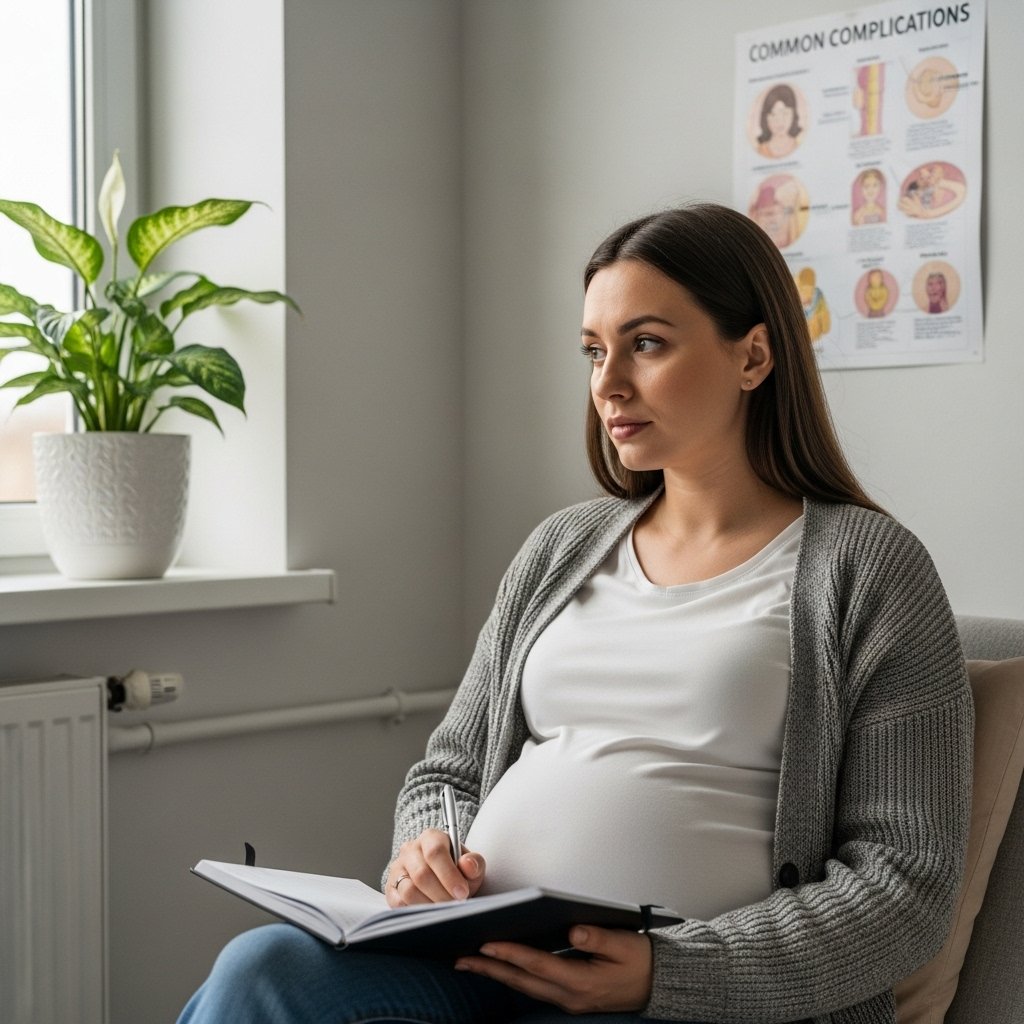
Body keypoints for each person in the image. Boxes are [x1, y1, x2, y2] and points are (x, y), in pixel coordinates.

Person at [178, 204, 972, 1024]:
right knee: (262, 968)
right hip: (468, 958)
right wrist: (429, 852)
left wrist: (666, 974)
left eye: (648, 344)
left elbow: (903, 884)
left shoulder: (870, 569)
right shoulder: (565, 545)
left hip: (683, 1002)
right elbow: (447, 771)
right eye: (594, 351)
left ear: (754, 355)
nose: (608, 383)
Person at [755, 84, 803, 159]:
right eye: (773, 114)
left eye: (785, 113)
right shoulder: (760, 151)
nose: (780, 121)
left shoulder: (800, 146)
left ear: (793, 115)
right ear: (765, 117)